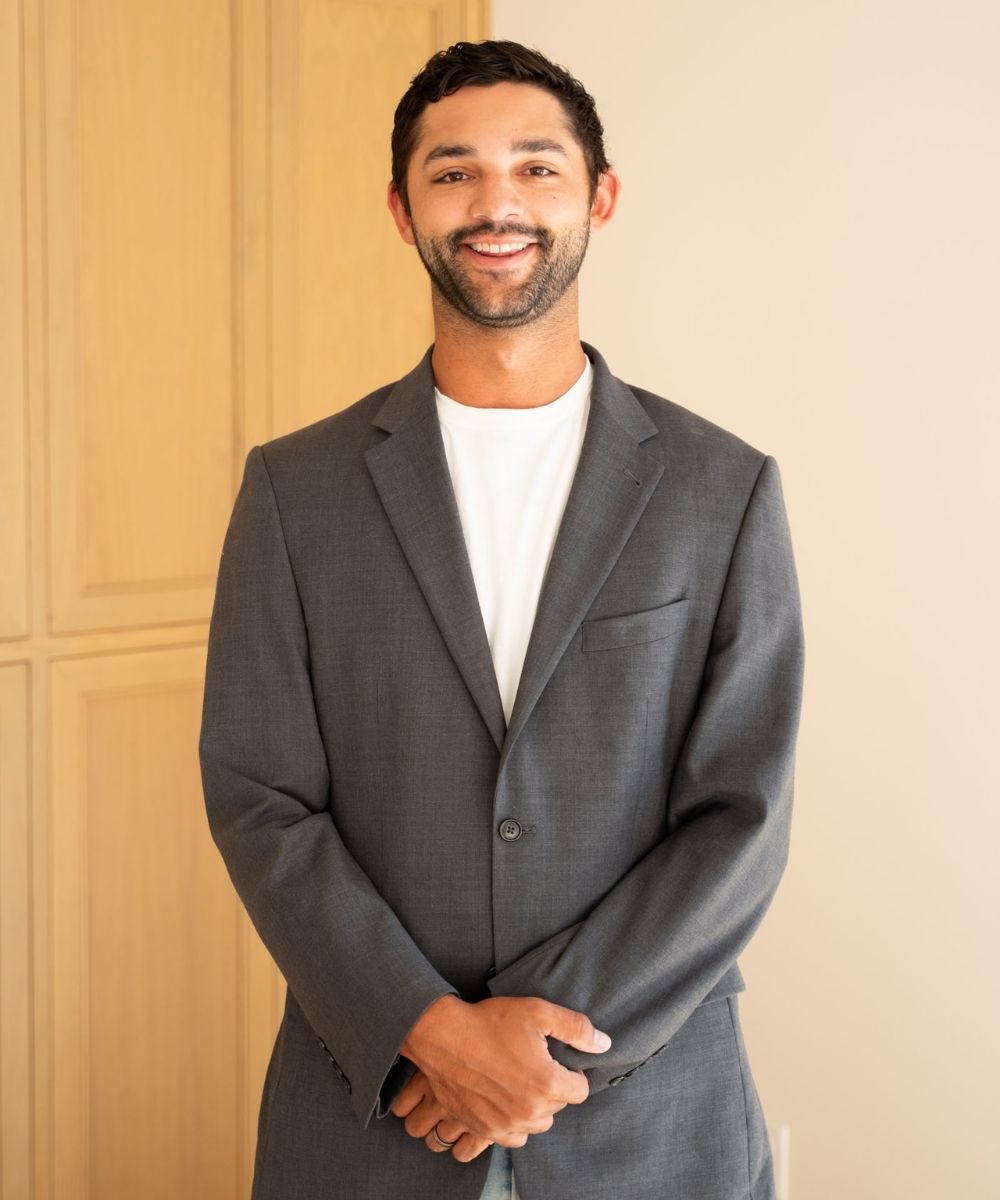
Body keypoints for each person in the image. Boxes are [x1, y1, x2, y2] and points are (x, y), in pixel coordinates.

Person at [199, 38, 805, 1200]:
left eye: (536, 168)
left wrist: (527, 1054)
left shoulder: (721, 489)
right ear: (401, 209)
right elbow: (258, 791)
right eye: (452, 172)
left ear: (600, 197)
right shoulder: (296, 490)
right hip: (373, 1114)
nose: (496, 204)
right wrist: (426, 1027)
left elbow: (744, 815)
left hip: (651, 1118)